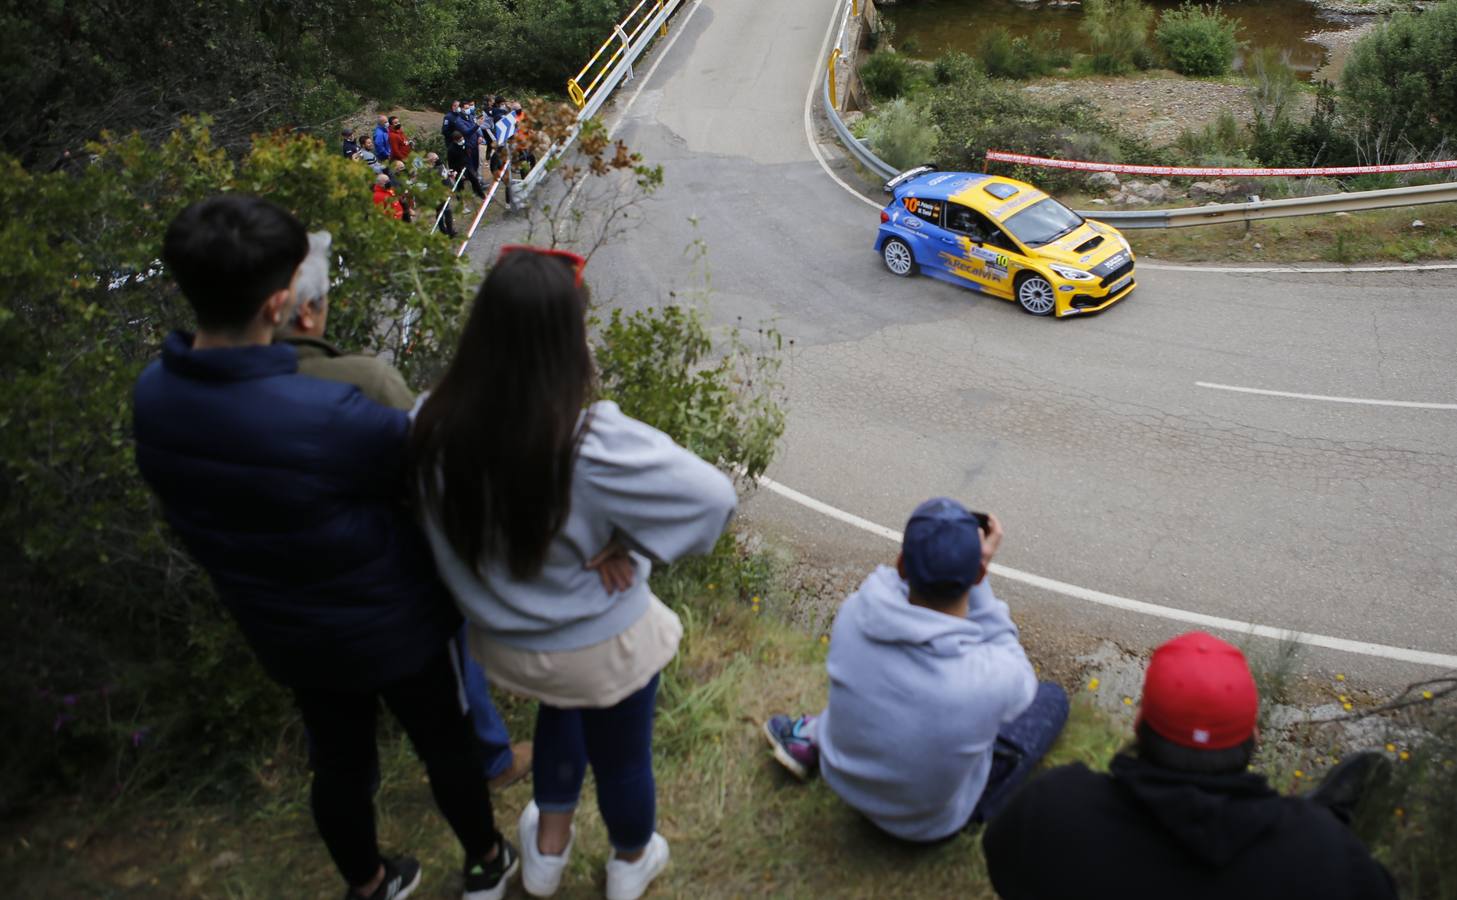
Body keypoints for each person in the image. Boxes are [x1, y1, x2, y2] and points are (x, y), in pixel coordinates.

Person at [133, 196, 518, 900]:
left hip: (281, 625)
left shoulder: (154, 395)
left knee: (337, 761)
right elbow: (440, 484)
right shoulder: (336, 410)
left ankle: (370, 884)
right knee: (445, 742)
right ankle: (486, 861)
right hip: (397, 622)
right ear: (283, 303)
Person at [409, 247, 738, 899]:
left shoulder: (429, 422)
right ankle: (629, 862)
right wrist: (631, 538)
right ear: (565, 342)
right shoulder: (586, 441)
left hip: (506, 645)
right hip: (596, 643)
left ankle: (547, 853)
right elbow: (713, 500)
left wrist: (613, 533)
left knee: (562, 709)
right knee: (621, 759)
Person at [276, 230, 529, 786]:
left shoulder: (222, 388)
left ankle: (347, 797)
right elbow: (427, 462)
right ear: (307, 313)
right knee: (450, 664)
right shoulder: (361, 380)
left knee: (333, 724)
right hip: (384, 575)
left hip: (289, 589)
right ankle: (489, 758)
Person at [982, 631, 1398, 900]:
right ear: (1253, 737)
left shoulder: (1054, 808)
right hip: (1294, 847)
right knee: (1312, 824)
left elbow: (1003, 868)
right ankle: (1327, 807)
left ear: (1139, 723)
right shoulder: (1323, 855)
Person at [763, 498, 1069, 842]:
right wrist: (976, 574)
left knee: (883, 679)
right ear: (979, 575)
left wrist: (961, 564)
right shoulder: (990, 678)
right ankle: (976, 808)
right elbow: (1011, 657)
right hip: (925, 825)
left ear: (902, 564)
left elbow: (889, 583)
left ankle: (813, 735)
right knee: (1052, 699)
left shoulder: (855, 611)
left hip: (843, 779)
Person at [447, 129, 486, 200]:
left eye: (462, 139)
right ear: (455, 141)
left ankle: (482, 196)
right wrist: (456, 173)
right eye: (460, 140)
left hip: (467, 166)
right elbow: (451, 163)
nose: (462, 141)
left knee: (475, 180)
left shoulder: (464, 144)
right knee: (460, 187)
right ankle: (461, 204)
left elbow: (467, 154)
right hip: (458, 169)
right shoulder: (451, 150)